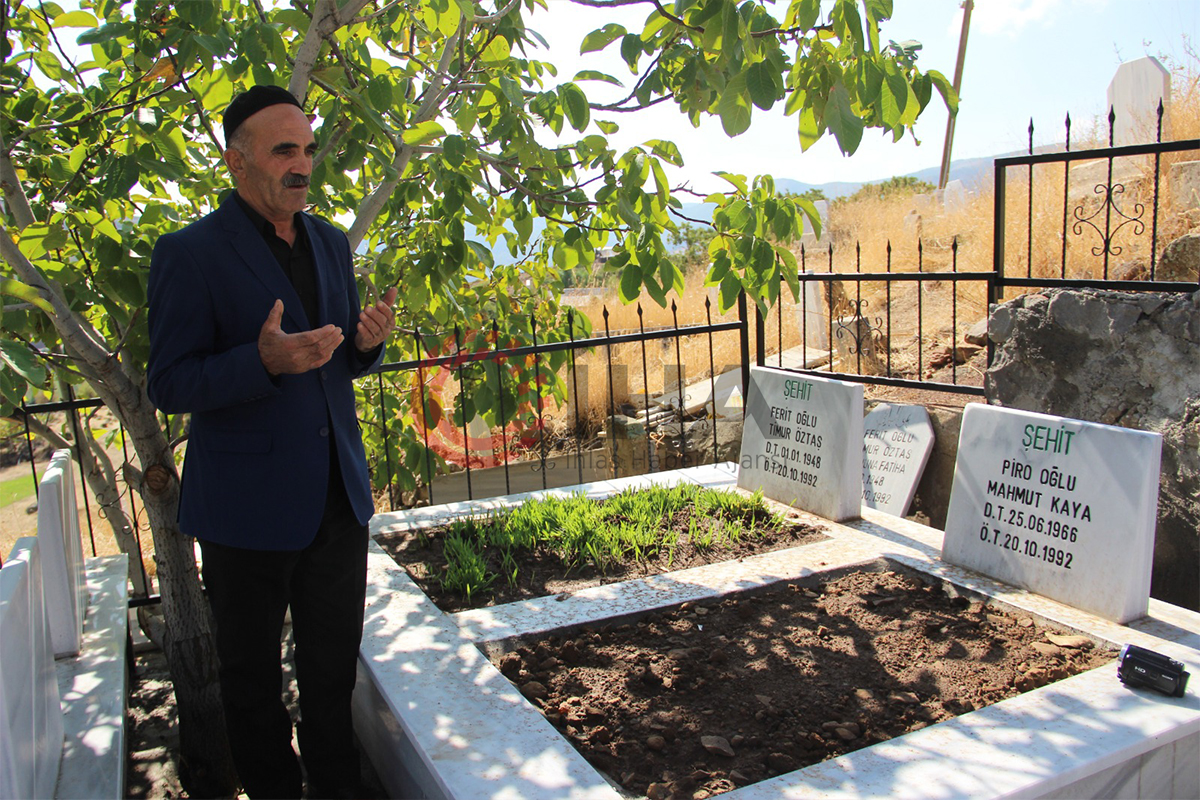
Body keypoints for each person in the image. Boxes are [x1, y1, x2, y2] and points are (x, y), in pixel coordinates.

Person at [146, 84, 397, 799]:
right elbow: (168, 382)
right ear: (238, 162)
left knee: (331, 681)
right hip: (244, 514)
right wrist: (262, 362)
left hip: (336, 503)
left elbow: (336, 356)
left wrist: (365, 345)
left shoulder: (329, 242)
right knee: (254, 692)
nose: (303, 165)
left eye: (309, 149)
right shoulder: (188, 254)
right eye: (285, 149)